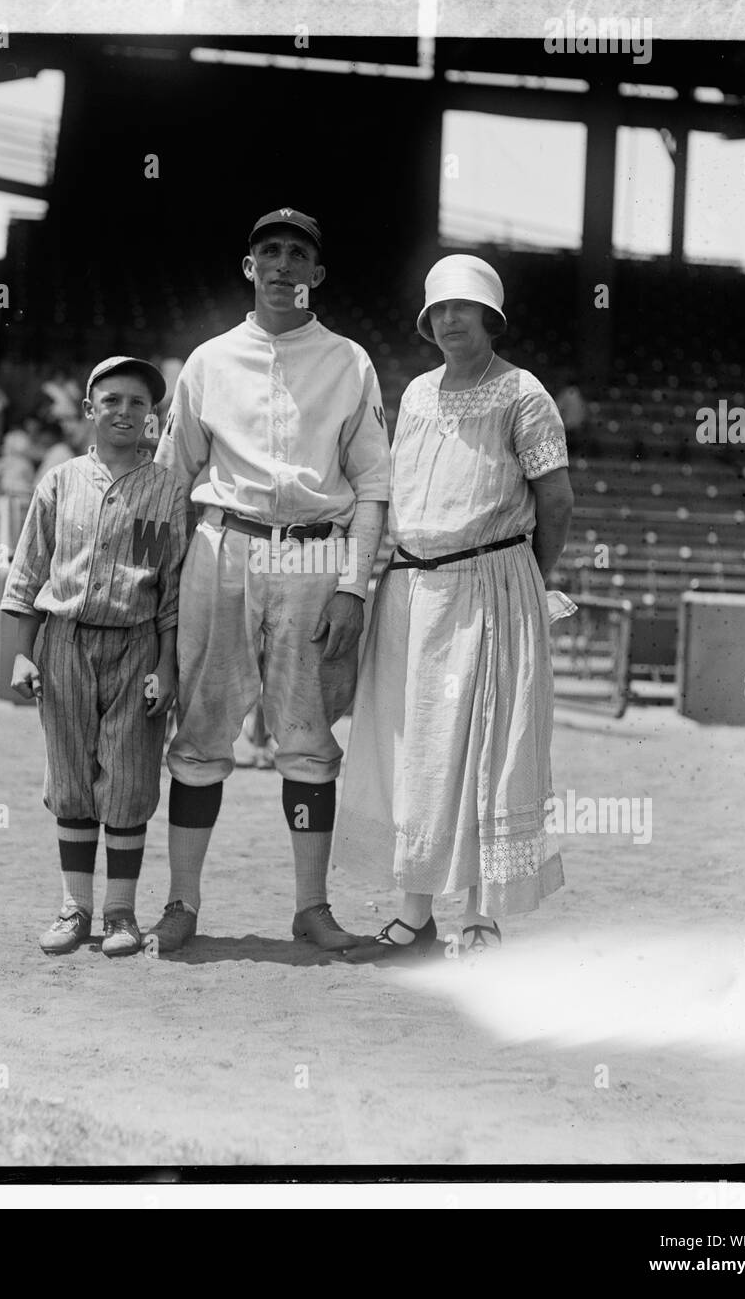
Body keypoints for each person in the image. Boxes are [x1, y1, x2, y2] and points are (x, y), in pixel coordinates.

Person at [150, 206, 391, 953]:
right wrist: (157, 589)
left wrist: (354, 584)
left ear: (317, 274)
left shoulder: (349, 361)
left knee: (308, 736)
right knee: (201, 731)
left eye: (297, 254)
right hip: (225, 544)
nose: (283, 264)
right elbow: (171, 477)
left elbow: (375, 484)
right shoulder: (209, 360)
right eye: (269, 252)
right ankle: (182, 902)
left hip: (314, 553)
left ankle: (311, 907)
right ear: (248, 268)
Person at [333, 254, 574, 963]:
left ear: (491, 317)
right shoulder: (415, 395)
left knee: (480, 748)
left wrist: (530, 578)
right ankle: (413, 916)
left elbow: (555, 500)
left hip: (491, 585)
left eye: (463, 308)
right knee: (412, 752)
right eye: (438, 310)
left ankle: (478, 919)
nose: (449, 320)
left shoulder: (523, 393)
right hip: (410, 590)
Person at [0, 356, 189, 958]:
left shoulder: (168, 490)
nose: (125, 411)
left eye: (138, 402)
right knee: (71, 778)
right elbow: (27, 574)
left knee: (130, 779)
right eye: (112, 400)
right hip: (65, 640)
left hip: (135, 644)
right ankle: (75, 906)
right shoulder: (58, 480)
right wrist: (21, 655)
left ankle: (121, 912)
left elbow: (172, 594)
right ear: (89, 410)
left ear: (153, 417)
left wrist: (166, 664)